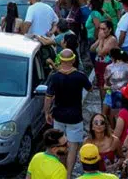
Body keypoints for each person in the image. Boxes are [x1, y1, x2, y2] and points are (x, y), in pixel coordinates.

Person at [44, 49, 92, 177]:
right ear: (73, 60)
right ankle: (68, 175)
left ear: (60, 60)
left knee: (59, 144)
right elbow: (90, 88)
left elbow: (48, 97)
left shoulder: (55, 77)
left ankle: (60, 170)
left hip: (58, 115)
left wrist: (46, 113)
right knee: (73, 147)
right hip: (75, 116)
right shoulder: (80, 76)